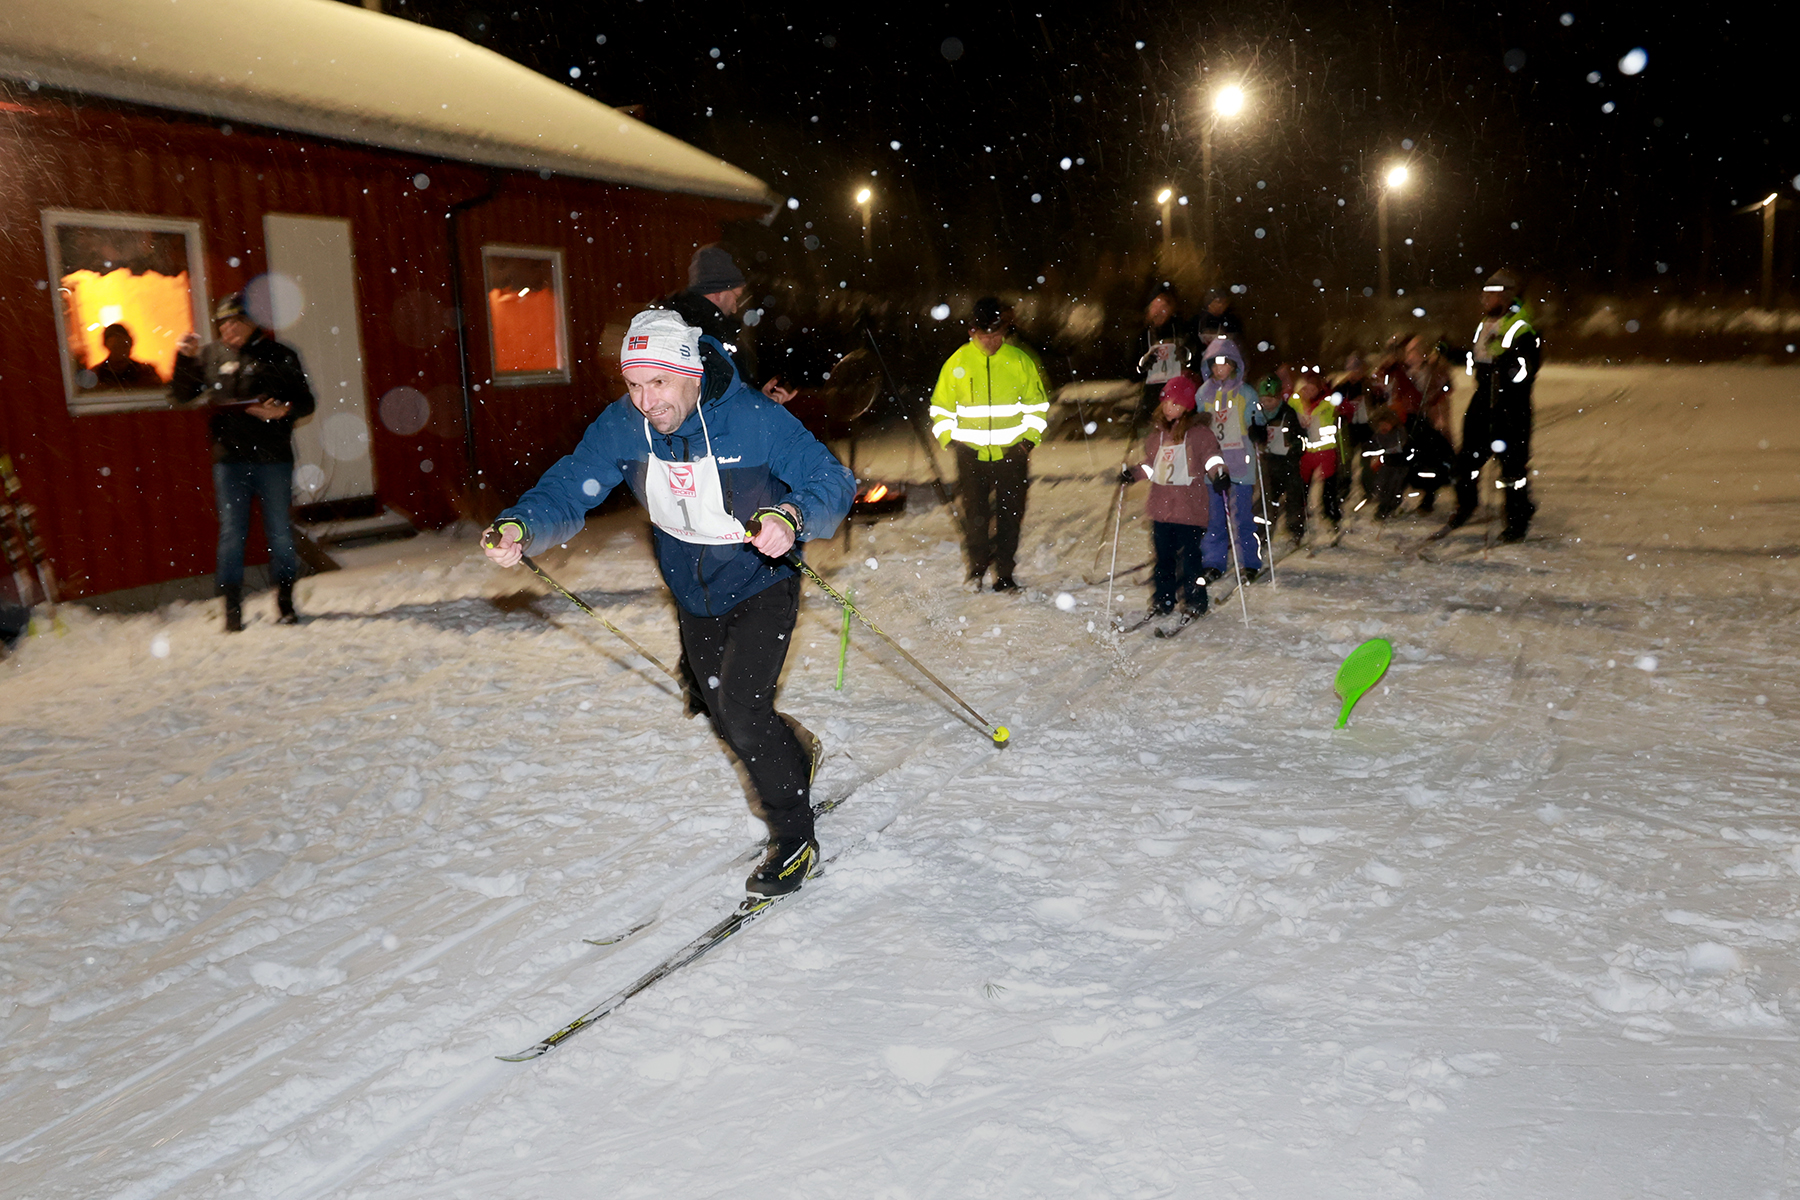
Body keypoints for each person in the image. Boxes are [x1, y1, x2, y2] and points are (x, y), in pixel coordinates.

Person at [481, 309, 855, 898]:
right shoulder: (623, 426)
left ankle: (793, 838)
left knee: (743, 709)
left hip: (762, 579)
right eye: (633, 384)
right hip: (692, 592)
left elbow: (830, 479)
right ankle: (796, 749)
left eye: (658, 382)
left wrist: (792, 515)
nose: (646, 400)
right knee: (720, 711)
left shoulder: (755, 420)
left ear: (690, 373)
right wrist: (523, 525)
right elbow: (572, 483)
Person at [171, 293, 315, 632]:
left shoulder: (280, 355)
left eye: (234, 321)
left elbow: (306, 401)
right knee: (232, 534)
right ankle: (232, 610)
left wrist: (284, 410)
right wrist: (184, 360)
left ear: (253, 322)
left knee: (279, 532)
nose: (227, 329)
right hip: (229, 460)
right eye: (222, 323)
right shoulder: (210, 355)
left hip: (273, 459)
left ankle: (286, 603)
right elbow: (182, 394)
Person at [928, 296, 1049, 592]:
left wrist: (1027, 442)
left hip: (1012, 455)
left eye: (997, 334)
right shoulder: (957, 363)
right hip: (971, 456)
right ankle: (977, 571)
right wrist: (951, 440)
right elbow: (940, 408)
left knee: (1011, 517)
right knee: (976, 518)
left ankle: (1005, 574)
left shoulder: (1020, 362)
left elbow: (1038, 406)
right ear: (972, 332)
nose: (992, 341)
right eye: (985, 335)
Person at [1120, 374, 1226, 633]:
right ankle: (1163, 600)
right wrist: (1133, 473)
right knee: (1163, 560)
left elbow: (1211, 457)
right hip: (1161, 509)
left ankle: (1195, 601)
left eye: (1176, 404)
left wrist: (1219, 473)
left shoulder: (1199, 434)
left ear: (1187, 407)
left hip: (1189, 510)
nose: (1170, 408)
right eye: (1166, 402)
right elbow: (1151, 464)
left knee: (1190, 561)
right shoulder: (1157, 437)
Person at [1445, 269, 1542, 542]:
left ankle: (1517, 519)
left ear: (1503, 295)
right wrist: (1452, 352)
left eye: (1489, 295)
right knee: (1467, 459)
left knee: (1512, 467)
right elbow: (1478, 358)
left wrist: (1509, 366)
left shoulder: (1521, 326)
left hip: (1511, 404)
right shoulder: (1486, 323)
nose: (1483, 300)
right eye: (1483, 294)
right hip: (1484, 397)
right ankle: (1466, 504)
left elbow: (1526, 370)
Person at [660, 244, 796, 404]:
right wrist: (759, 406)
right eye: (736, 296)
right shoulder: (704, 337)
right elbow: (713, 410)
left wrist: (758, 397)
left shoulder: (692, 324)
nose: (735, 307)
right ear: (717, 293)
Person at [1195, 336, 1262, 583]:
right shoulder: (1203, 394)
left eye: (1223, 363)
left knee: (1242, 517)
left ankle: (1249, 562)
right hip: (1213, 465)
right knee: (1214, 518)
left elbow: (1257, 419)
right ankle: (1213, 561)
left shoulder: (1246, 393)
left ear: (1234, 364)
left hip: (1240, 464)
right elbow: (1200, 426)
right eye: (1213, 363)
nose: (1218, 368)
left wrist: (1258, 429)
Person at [1249, 374, 1306, 549]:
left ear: (1279, 397)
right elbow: (1255, 433)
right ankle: (1261, 533)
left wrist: (1297, 446)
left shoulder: (1288, 413)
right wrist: (1256, 435)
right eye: (1264, 400)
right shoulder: (1258, 415)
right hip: (1269, 462)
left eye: (1271, 400)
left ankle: (1295, 531)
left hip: (1288, 462)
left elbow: (1300, 436)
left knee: (1294, 498)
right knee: (1267, 500)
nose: (1267, 404)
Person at [1291, 371, 1344, 542]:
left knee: (1328, 489)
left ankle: (1333, 519)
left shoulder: (1327, 402)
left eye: (1313, 389)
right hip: (1306, 453)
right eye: (1306, 389)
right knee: (1301, 487)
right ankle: (1299, 521)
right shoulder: (1295, 402)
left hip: (1326, 451)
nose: (1309, 393)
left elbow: (1343, 403)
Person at [1133, 287, 1193, 434]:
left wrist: (1184, 357)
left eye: (1164, 306)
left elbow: (1194, 359)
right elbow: (1133, 372)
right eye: (1155, 306)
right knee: (1152, 441)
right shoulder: (1143, 336)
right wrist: (1144, 365)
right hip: (1152, 398)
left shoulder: (1182, 330)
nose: (1159, 311)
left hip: (1178, 396)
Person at [89, 323, 162, 390]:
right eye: (116, 345)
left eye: (124, 344)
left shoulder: (146, 373)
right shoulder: (95, 376)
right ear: (107, 346)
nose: (121, 349)